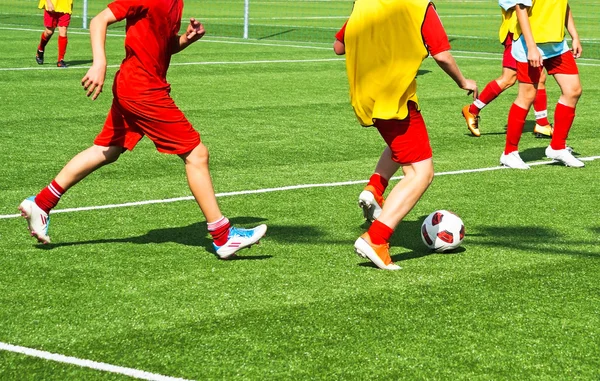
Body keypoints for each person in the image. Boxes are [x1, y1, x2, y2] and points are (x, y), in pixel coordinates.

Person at [19, 0, 267, 259]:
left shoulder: (176, 3)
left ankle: (42, 203)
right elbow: (98, 20)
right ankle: (223, 236)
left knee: (107, 149)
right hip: (142, 90)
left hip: (134, 85)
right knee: (197, 154)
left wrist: (185, 39)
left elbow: (162, 48)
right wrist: (99, 62)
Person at [334, 0, 477, 270]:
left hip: (366, 95)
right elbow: (443, 55)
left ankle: (375, 189)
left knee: (402, 148)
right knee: (421, 173)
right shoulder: (421, 6)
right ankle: (376, 239)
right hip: (393, 99)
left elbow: (339, 46)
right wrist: (463, 81)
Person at [500, 0, 584, 169]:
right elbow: (520, 7)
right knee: (527, 96)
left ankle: (557, 147)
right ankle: (509, 153)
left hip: (557, 44)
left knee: (573, 90)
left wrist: (574, 35)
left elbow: (564, 6)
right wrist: (531, 47)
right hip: (529, 43)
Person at [461, 4, 553, 139]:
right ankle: (472, 110)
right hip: (515, 33)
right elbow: (515, 5)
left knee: (539, 77)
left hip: (530, 33)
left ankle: (542, 123)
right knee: (509, 78)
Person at [36, 0, 73, 67]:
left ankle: (60, 60)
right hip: (52, 4)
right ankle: (40, 48)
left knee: (63, 30)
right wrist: (48, 2)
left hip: (65, 5)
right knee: (49, 32)